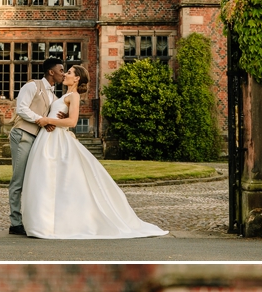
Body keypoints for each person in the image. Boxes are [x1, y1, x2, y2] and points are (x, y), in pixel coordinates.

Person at [20, 64, 167, 241]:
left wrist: (46, 120)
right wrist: (52, 120)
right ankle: (43, 222)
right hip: (48, 139)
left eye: (69, 73)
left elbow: (73, 121)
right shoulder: (62, 95)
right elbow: (62, 117)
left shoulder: (73, 96)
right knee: (46, 180)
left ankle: (53, 224)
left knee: (57, 180)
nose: (65, 74)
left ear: (76, 79)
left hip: (56, 140)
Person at [8, 59, 65, 235]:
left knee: (32, 180)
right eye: (61, 70)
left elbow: (49, 116)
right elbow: (21, 108)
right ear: (51, 72)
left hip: (37, 139)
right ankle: (15, 223)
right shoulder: (32, 86)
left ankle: (30, 219)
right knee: (18, 180)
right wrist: (41, 120)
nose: (63, 73)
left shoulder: (53, 95)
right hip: (23, 134)